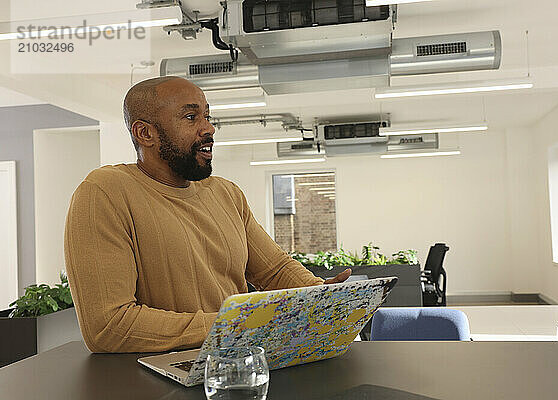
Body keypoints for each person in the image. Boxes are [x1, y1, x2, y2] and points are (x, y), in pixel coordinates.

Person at [64, 76, 351, 353]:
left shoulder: (226, 194)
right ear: (145, 133)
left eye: (207, 116)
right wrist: (232, 325)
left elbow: (274, 270)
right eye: (191, 117)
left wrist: (321, 294)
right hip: (157, 379)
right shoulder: (104, 193)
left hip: (240, 362)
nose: (209, 128)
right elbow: (108, 326)